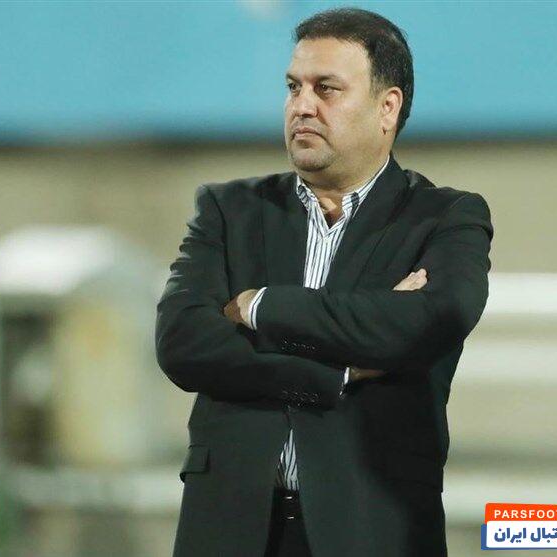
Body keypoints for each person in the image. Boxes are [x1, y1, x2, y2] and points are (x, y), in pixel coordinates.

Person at [155, 7, 493, 557]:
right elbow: (182, 344)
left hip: (373, 531)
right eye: (293, 87)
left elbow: (432, 319)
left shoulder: (444, 217)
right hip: (229, 529)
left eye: (326, 89)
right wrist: (337, 372)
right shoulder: (228, 209)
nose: (302, 106)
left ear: (387, 107)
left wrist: (261, 306)